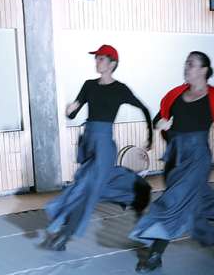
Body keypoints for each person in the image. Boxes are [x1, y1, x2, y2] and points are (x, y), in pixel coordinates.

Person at [129, 51, 214, 272]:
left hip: (197, 156)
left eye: (191, 64)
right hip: (174, 156)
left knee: (173, 202)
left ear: (203, 70)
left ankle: (155, 254)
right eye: (186, 63)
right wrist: (160, 124)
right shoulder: (176, 94)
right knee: (193, 199)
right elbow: (159, 117)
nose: (186, 68)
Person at [43, 44, 153, 251]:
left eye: (102, 59)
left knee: (87, 186)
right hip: (89, 142)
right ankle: (137, 193)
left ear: (112, 64)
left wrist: (150, 138)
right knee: (89, 184)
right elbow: (74, 112)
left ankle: (64, 234)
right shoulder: (89, 85)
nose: (97, 62)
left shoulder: (120, 89)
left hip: (104, 145)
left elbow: (144, 109)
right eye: (96, 58)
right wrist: (69, 110)